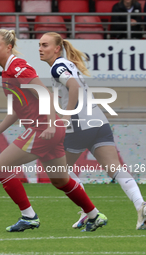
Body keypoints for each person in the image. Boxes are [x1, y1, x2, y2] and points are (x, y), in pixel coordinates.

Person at [0, 28, 108, 232]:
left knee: (0, 167)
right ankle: (94, 215)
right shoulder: (7, 72)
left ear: (9, 47)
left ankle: (29, 216)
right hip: (47, 129)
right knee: (60, 179)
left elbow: (46, 95)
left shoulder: (18, 67)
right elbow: (16, 109)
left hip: (42, 128)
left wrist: (51, 123)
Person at [39, 32, 146, 230]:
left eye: (45, 45)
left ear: (56, 48)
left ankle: (89, 213)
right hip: (98, 120)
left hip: (80, 124)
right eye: (39, 45)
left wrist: (67, 116)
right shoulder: (66, 64)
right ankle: (141, 206)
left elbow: (74, 87)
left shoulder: (57, 67)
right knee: (115, 169)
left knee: (59, 171)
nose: (40, 48)